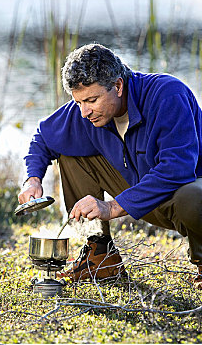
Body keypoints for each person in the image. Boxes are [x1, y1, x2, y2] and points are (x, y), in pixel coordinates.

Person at [18, 43, 202, 286]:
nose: (84, 112)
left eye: (91, 100)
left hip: (180, 196)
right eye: (78, 102)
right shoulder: (86, 110)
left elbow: (177, 170)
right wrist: (33, 179)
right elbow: (43, 137)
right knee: (71, 152)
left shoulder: (168, 95)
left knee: (195, 195)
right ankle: (101, 256)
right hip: (140, 194)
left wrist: (113, 207)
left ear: (117, 86)